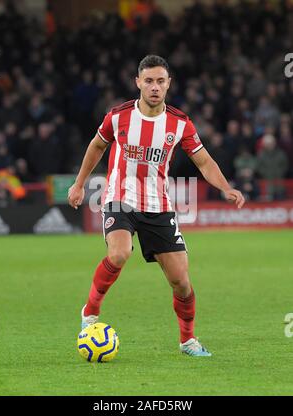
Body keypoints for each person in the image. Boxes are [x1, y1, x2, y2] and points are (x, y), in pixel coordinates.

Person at [68, 55, 245, 357]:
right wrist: (79, 183)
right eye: (148, 80)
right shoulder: (118, 116)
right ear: (138, 82)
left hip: (158, 205)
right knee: (120, 252)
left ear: (168, 84)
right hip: (120, 198)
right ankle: (91, 311)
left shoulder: (179, 123)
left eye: (160, 81)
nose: (154, 87)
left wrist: (225, 187)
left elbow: (203, 160)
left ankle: (187, 340)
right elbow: (97, 145)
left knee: (181, 283)